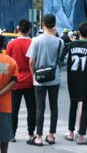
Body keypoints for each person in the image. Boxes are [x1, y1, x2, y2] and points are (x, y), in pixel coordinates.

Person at [27, 14, 64, 146]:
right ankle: (51, 135)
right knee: (54, 107)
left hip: (39, 78)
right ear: (54, 25)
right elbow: (58, 59)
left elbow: (31, 61)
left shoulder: (36, 40)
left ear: (43, 24)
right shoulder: (60, 41)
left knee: (40, 108)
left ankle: (38, 137)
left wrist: (33, 75)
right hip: (55, 78)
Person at [65, 22, 87, 145]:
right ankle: (81, 136)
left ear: (79, 32)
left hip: (73, 80)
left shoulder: (70, 45)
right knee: (85, 109)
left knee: (73, 106)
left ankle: (70, 133)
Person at [5, 19, 36, 143]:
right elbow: (34, 61)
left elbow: (7, 63)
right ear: (29, 29)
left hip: (14, 81)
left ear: (18, 28)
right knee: (31, 108)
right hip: (30, 81)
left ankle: (12, 134)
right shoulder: (33, 43)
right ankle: (30, 133)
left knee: (13, 109)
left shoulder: (11, 44)